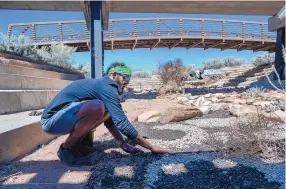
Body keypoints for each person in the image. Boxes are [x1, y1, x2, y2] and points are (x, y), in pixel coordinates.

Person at [41, 62, 172, 166]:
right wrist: (152, 148)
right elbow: (122, 123)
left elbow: (110, 121)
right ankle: (66, 149)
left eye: (129, 79)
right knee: (97, 107)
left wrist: (122, 142)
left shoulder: (104, 87)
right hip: (52, 121)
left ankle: (80, 144)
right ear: (114, 75)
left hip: (64, 118)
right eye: (125, 77)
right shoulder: (107, 87)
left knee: (105, 109)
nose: (127, 81)